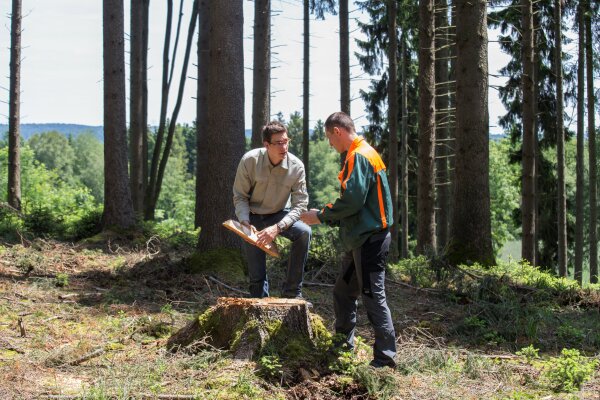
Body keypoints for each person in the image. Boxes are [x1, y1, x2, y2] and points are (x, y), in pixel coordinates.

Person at [300, 111, 396, 368]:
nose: (330, 145)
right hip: (359, 240)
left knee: (373, 297)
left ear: (337, 132)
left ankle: (385, 360)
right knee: (344, 292)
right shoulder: (363, 153)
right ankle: (343, 347)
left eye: (329, 139)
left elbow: (352, 201)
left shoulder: (359, 156)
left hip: (369, 240)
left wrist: (321, 216)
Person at [233, 121, 311, 299]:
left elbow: (300, 204)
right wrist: (244, 221)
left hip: (279, 215)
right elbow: (240, 196)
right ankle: (259, 304)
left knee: (304, 232)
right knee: (256, 276)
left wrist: (277, 228)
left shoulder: (296, 166)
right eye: (279, 143)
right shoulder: (249, 161)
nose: (284, 147)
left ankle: (293, 294)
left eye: (286, 141)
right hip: (251, 217)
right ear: (266, 145)